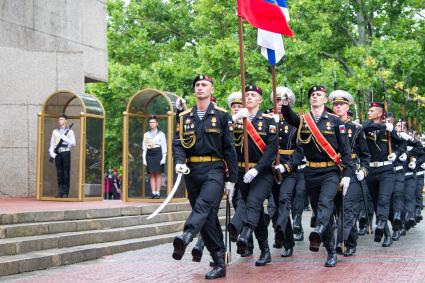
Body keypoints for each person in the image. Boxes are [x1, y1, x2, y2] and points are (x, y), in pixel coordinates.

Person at [280, 85, 354, 267]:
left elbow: (345, 150)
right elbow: (290, 118)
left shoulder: (336, 121)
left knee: (325, 202)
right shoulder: (304, 121)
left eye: (318, 94)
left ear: (325, 99)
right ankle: (330, 249)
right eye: (312, 95)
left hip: (330, 171)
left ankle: (319, 228)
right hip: (311, 171)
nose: (315, 97)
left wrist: (347, 174)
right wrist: (285, 105)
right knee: (317, 206)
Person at [172, 74, 238, 280]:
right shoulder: (185, 117)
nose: (200, 88)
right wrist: (179, 162)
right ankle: (219, 262)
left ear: (212, 89)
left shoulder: (221, 115)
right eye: (197, 85)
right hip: (192, 171)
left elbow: (229, 148)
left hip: (214, 169)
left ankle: (187, 235)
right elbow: (178, 143)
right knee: (208, 218)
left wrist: (232, 180)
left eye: (204, 85)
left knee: (203, 205)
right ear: (194, 90)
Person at [228, 84, 278, 267]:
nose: (248, 97)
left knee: (254, 203)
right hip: (241, 172)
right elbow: (224, 141)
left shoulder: (268, 121)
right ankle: (265, 250)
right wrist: (234, 120)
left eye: (252, 95)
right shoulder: (237, 120)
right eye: (246, 95)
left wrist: (257, 169)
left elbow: (272, 149)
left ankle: (246, 233)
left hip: (262, 173)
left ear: (260, 100)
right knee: (248, 207)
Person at [328, 90, 371, 256]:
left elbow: (366, 156)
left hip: (351, 170)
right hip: (332, 170)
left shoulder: (356, 129)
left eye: (342, 104)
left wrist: (364, 170)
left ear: (348, 107)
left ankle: (342, 242)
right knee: (339, 208)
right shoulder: (328, 125)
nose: (338, 107)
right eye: (336, 104)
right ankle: (350, 240)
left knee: (347, 208)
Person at [363, 102, 405, 246]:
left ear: (380, 114)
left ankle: (380, 225)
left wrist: (396, 153)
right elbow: (365, 127)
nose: (369, 112)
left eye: (372, 110)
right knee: (376, 204)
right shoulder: (366, 126)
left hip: (386, 170)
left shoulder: (389, 130)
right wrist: (383, 126)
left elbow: (402, 144)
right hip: (370, 171)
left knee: (383, 200)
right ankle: (387, 232)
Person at [265, 86, 298, 258]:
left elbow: (299, 149)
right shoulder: (267, 119)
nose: (277, 104)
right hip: (270, 167)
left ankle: (280, 231)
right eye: (276, 100)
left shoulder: (294, 122)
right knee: (274, 206)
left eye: (281, 101)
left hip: (289, 167)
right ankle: (285, 239)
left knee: (284, 200)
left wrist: (287, 166)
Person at [49, 113, 76, 198]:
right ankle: (60, 192)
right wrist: (51, 153)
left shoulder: (70, 131)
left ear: (65, 121)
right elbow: (52, 143)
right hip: (58, 153)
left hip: (66, 153)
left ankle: (65, 192)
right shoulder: (55, 131)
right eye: (59, 120)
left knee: (66, 172)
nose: (59, 121)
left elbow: (73, 143)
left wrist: (65, 138)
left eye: (61, 119)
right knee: (59, 173)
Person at [142, 115, 167, 199]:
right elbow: (144, 148)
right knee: (151, 174)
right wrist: (144, 159)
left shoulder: (161, 134)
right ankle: (153, 192)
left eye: (153, 122)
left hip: (158, 153)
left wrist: (164, 158)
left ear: (157, 124)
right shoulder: (146, 134)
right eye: (150, 122)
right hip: (149, 153)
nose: (151, 124)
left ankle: (158, 193)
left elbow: (164, 146)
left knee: (158, 173)